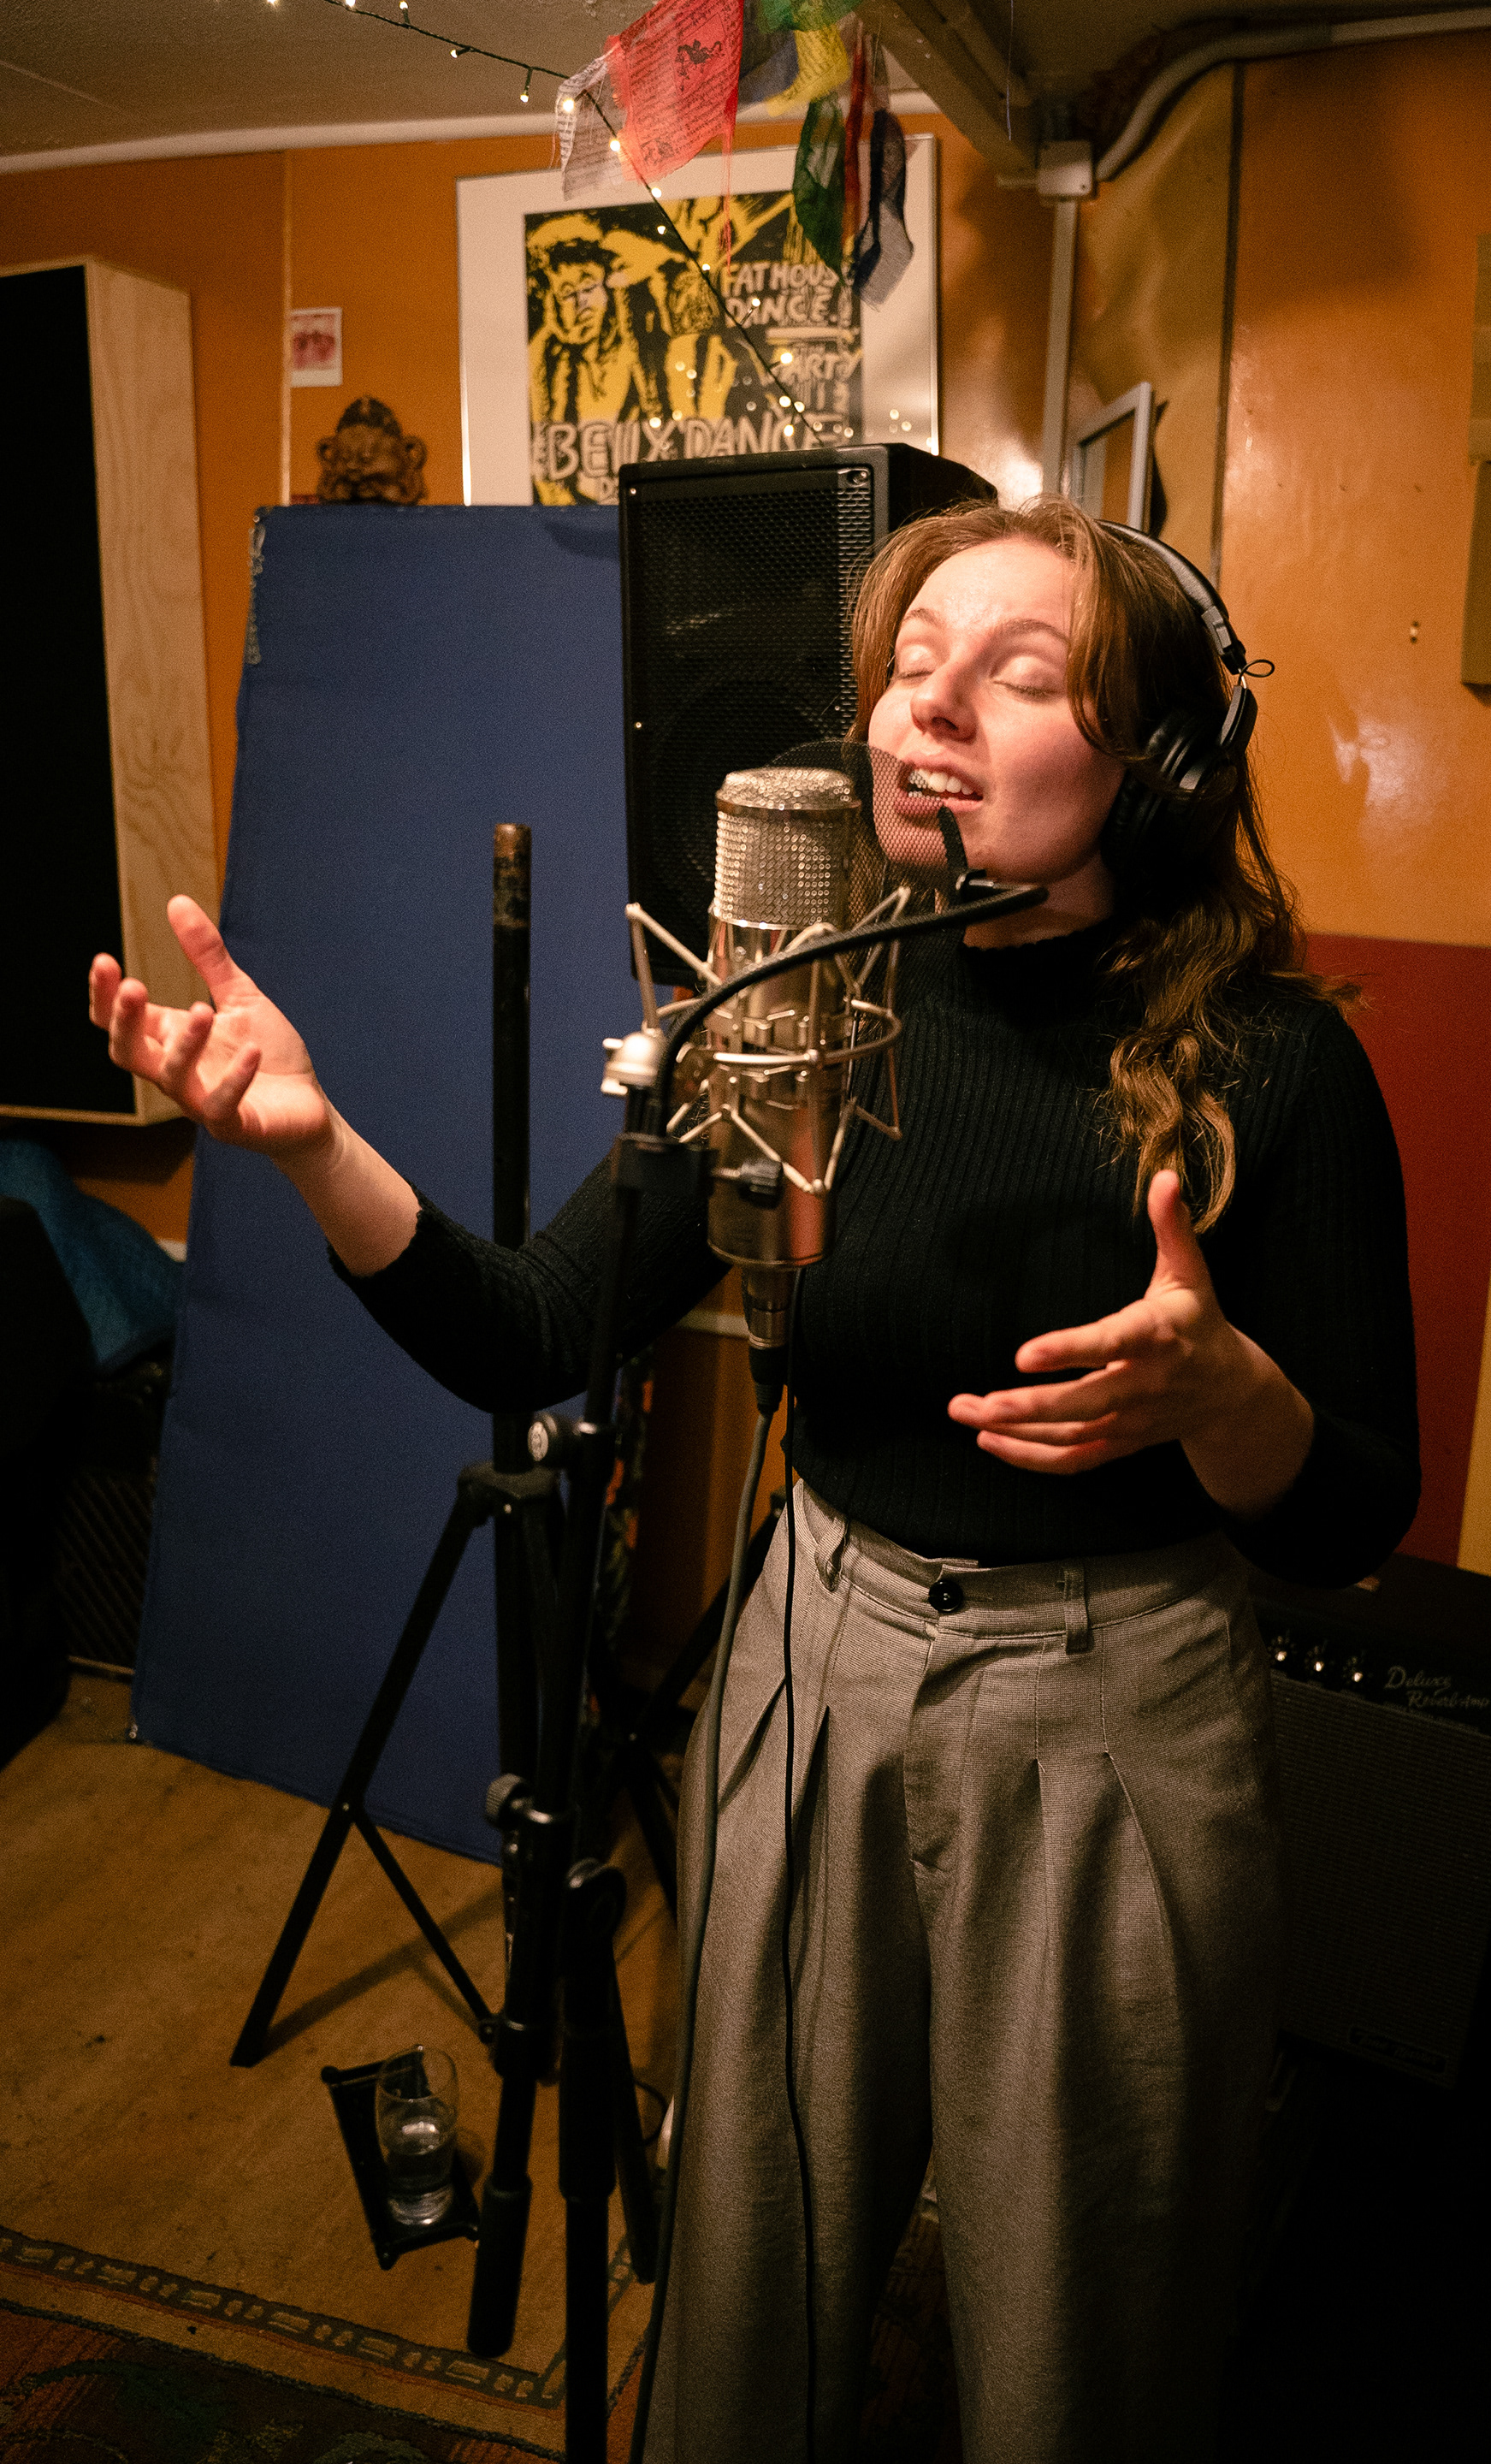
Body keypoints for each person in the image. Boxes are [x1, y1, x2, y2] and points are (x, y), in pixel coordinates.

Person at [90, 496, 1419, 2463]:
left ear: (1160, 759)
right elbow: (534, 1330)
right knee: (745, 2273)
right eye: (909, 665)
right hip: (816, 1657)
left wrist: (1227, 1397)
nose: (926, 710)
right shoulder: (790, 1010)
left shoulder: (1278, 1063)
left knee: (1079, 2330)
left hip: (1112, 1710)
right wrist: (306, 1143)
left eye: (1016, 675)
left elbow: (1353, 1516)